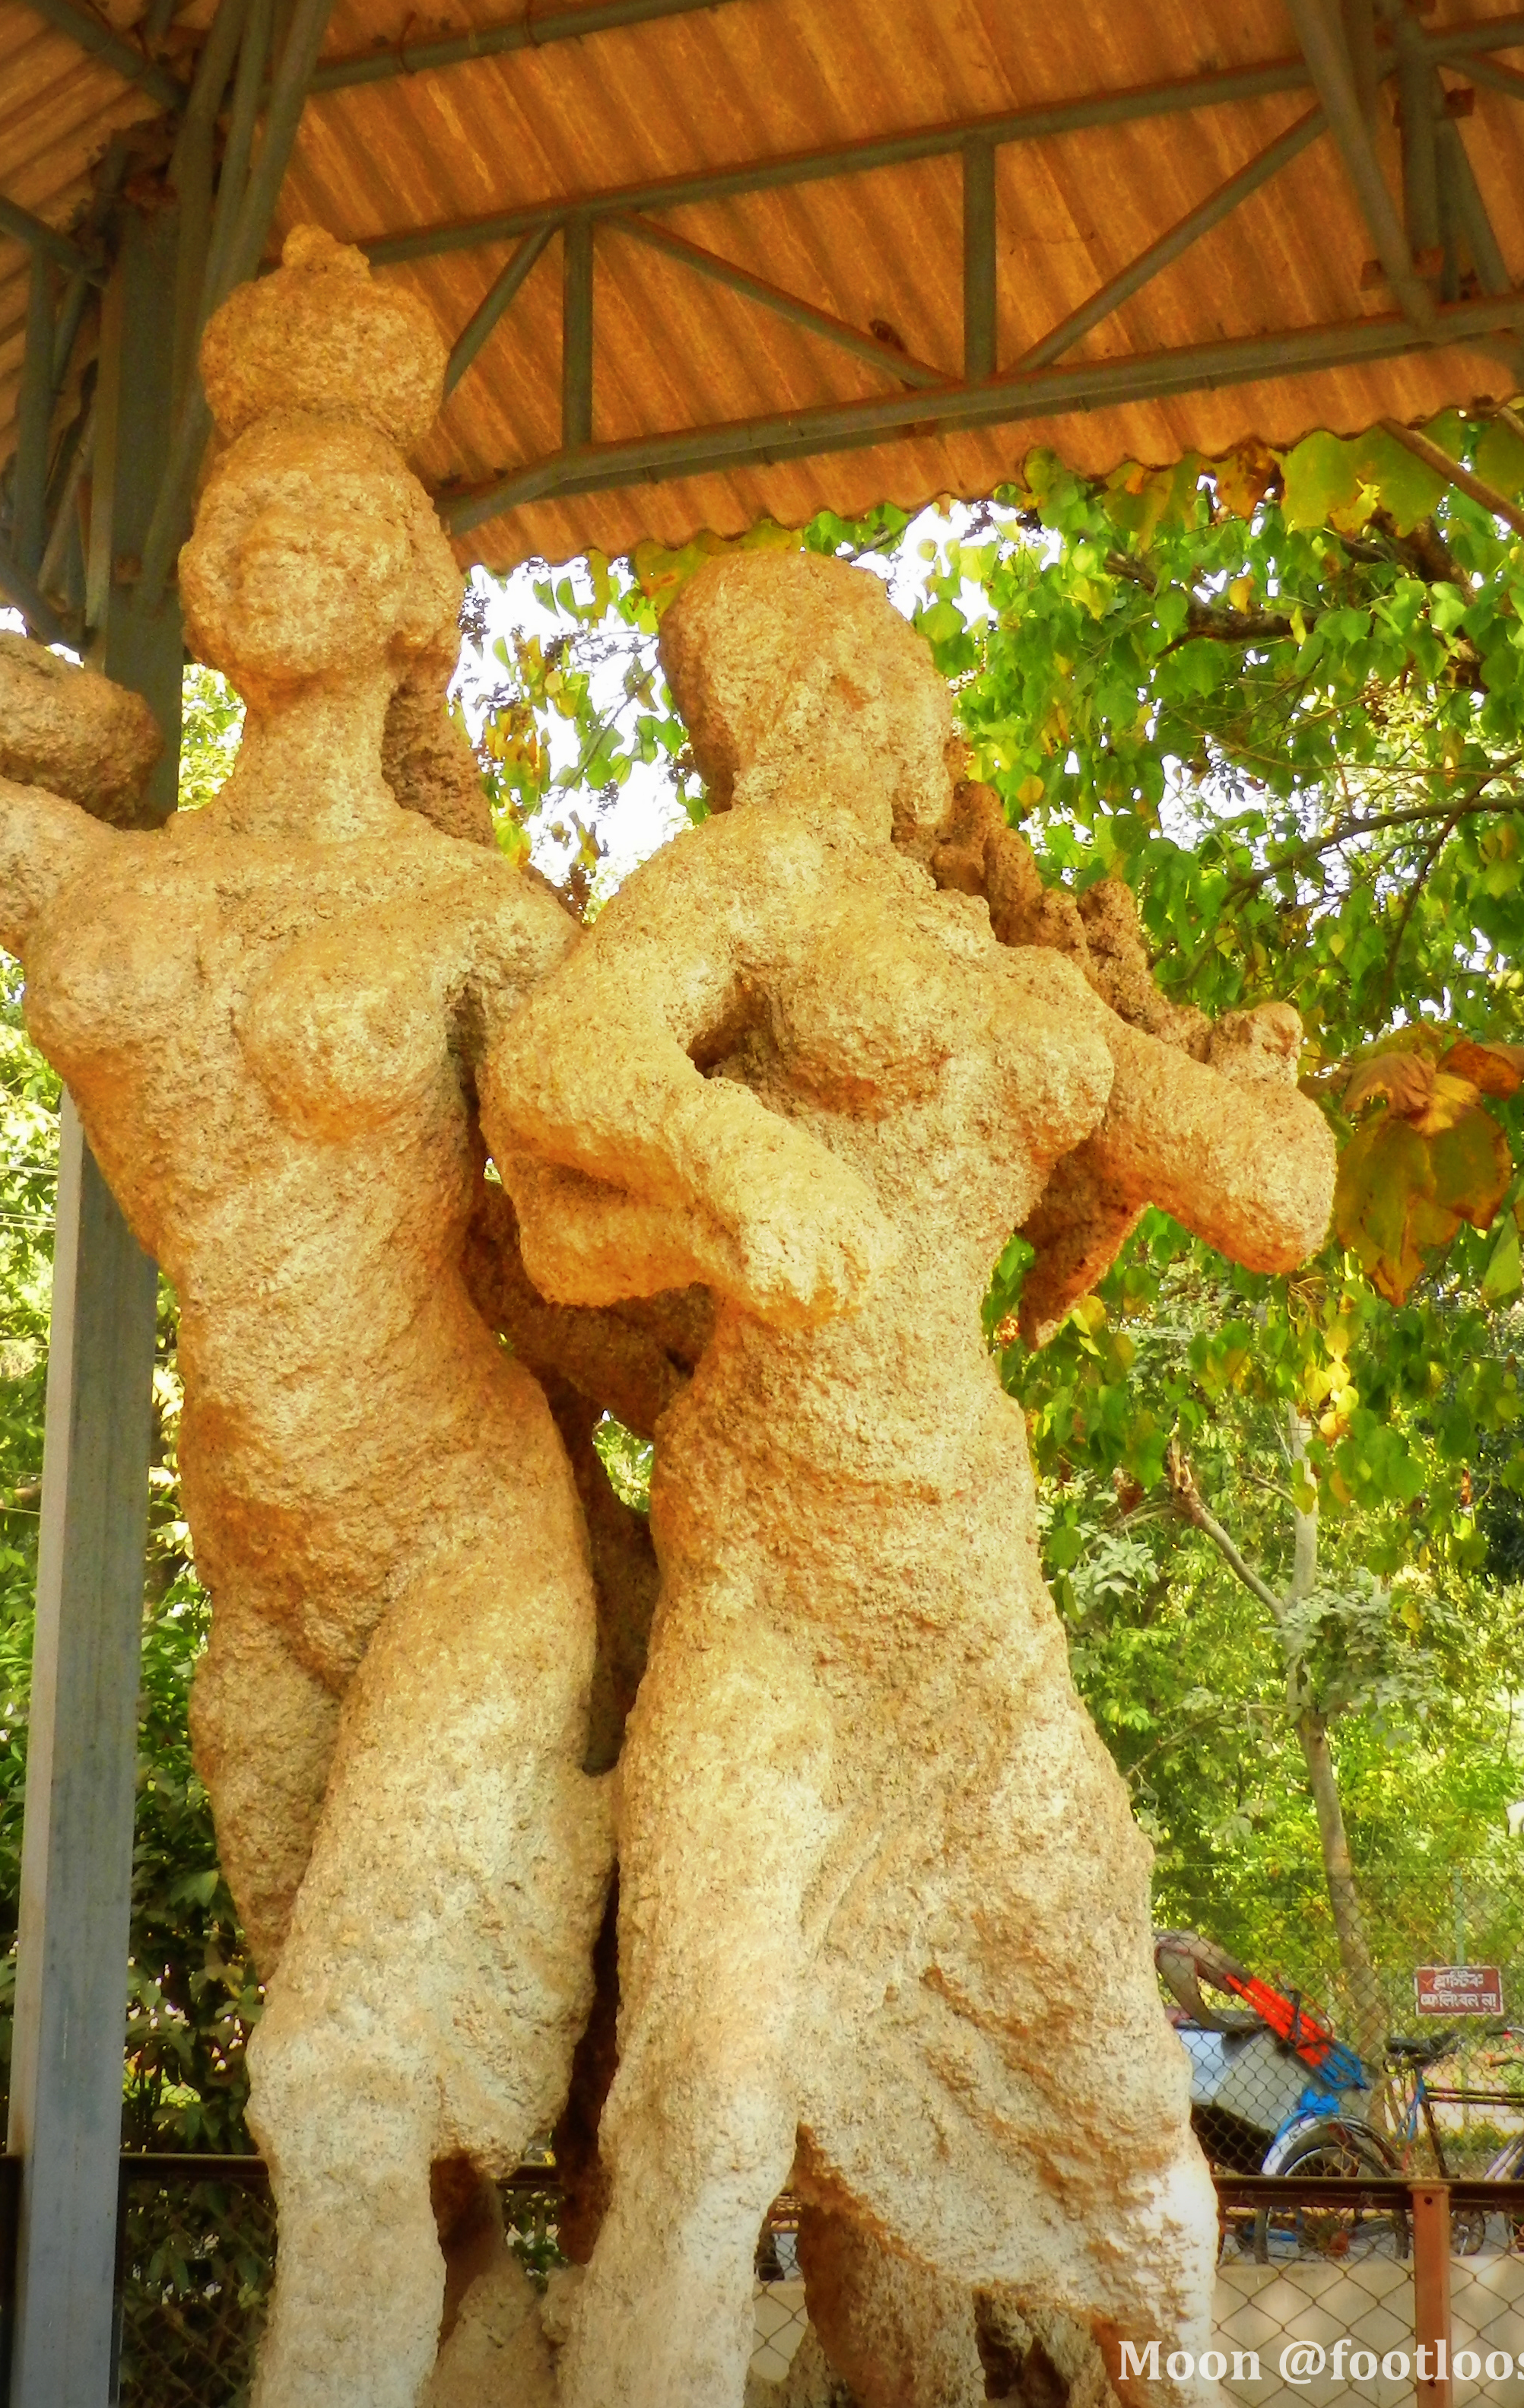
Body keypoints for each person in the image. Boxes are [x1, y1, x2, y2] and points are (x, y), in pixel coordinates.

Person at [0, 230, 609, 2408]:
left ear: (419, 592)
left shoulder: (484, 916)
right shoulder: (97, 881)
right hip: (264, 1579)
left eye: (334, 515)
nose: (270, 541)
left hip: (466, 1541)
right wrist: (90, 727)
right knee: (386, 2155)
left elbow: (608, 1228)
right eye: (239, 512)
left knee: (347, 2083)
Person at [481, 548, 1336, 2408]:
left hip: (972, 1622)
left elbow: (1273, 1201)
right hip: (773, 1605)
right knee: (704, 2117)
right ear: (816, 701)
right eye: (886, 677)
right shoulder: (760, 873)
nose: (923, 723)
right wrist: (737, 1162)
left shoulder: (992, 964)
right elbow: (563, 1059)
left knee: (1138, 2158)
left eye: (907, 684)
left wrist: (1254, 1088)